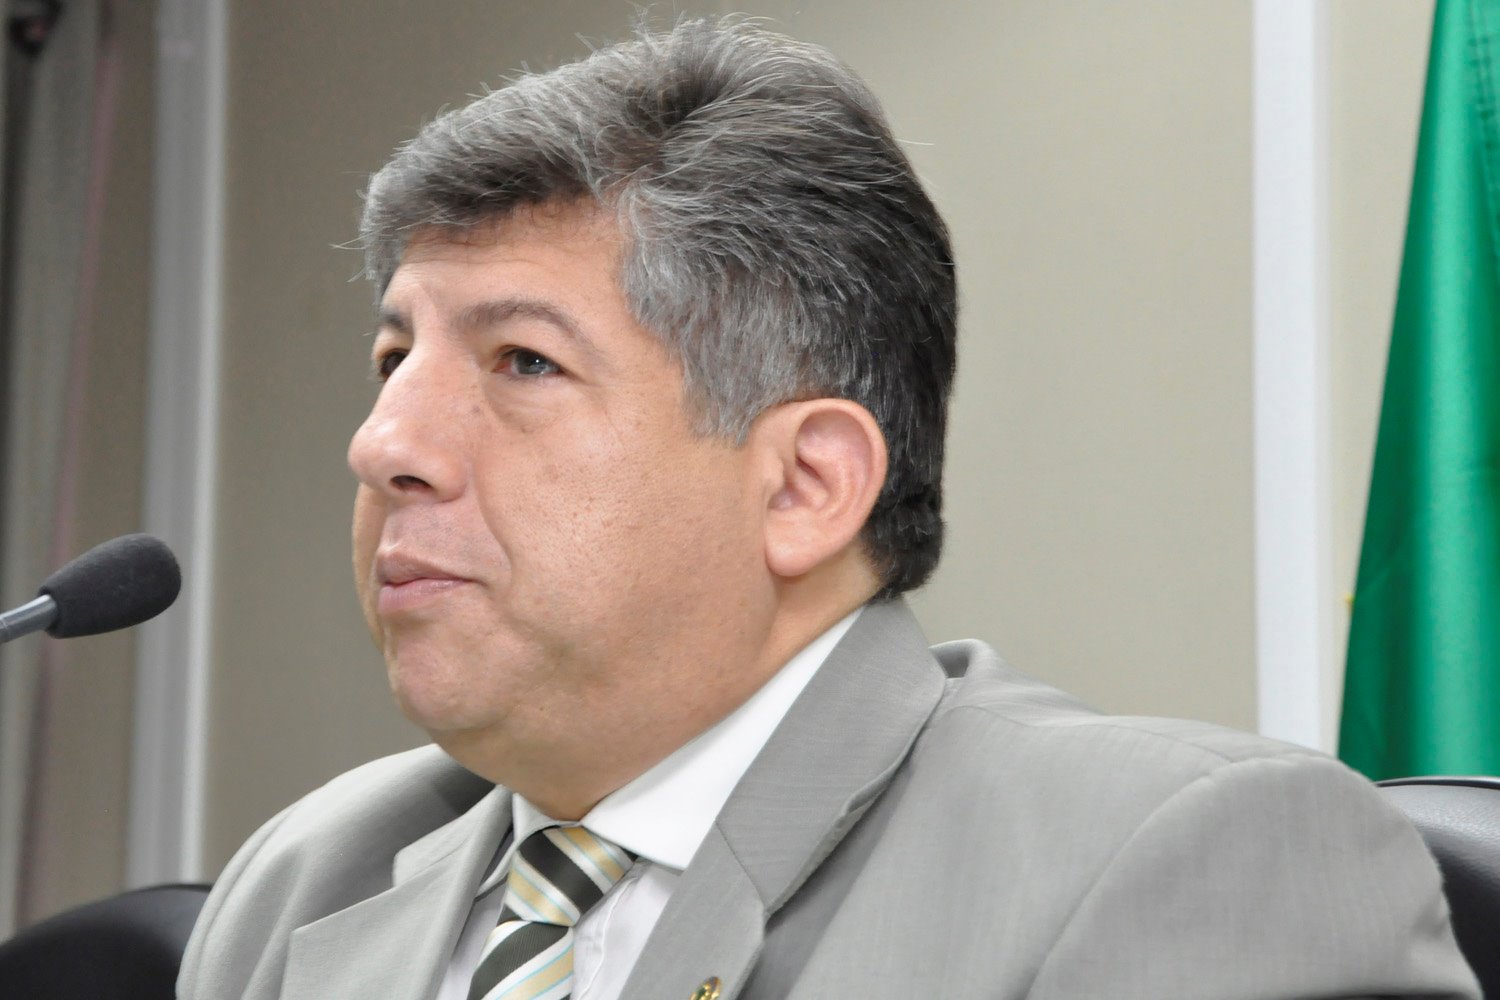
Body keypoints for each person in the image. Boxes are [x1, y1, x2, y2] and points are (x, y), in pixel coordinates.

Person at [177, 18, 1478, 1000]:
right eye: (394, 359)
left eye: (523, 362)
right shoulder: (308, 877)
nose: (383, 444)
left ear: (806, 486)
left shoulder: (1184, 857)